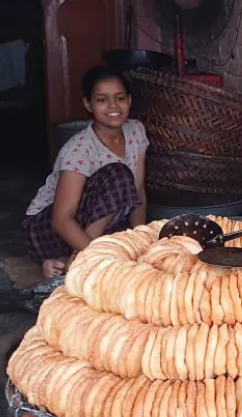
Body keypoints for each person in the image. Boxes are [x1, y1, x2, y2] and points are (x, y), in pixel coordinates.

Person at [23, 68, 148, 278]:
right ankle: (80, 260)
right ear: (88, 104)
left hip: (95, 223)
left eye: (120, 98)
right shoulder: (80, 149)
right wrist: (98, 259)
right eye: (102, 100)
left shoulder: (135, 131)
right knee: (119, 175)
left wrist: (143, 241)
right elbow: (61, 220)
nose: (113, 107)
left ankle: (64, 262)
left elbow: (138, 190)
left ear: (129, 100)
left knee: (128, 243)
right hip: (48, 228)